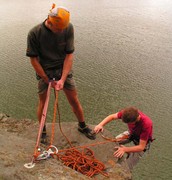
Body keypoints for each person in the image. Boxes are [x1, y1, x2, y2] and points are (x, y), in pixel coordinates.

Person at [26, 4, 96, 143]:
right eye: (58, 29)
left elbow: (69, 55)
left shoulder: (68, 27)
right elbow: (33, 60)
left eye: (62, 28)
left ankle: (82, 126)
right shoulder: (35, 33)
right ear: (49, 21)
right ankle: (43, 131)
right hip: (43, 70)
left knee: (74, 99)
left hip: (63, 68)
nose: (61, 31)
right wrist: (46, 79)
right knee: (43, 102)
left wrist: (62, 79)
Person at [94, 106, 153, 171]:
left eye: (129, 123)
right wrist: (100, 125)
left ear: (135, 120)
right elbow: (112, 116)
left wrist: (125, 149)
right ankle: (129, 152)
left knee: (126, 168)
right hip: (131, 133)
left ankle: (129, 154)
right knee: (112, 143)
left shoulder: (146, 124)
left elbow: (141, 147)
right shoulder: (128, 112)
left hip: (141, 142)